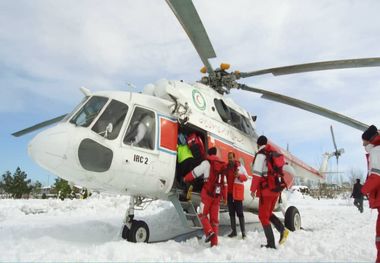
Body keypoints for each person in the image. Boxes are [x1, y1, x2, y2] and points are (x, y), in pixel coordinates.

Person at [250, 135, 289, 249]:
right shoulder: (273, 153)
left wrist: (252, 190)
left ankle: (271, 243)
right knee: (267, 213)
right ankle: (282, 230)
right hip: (275, 190)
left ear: (258, 144)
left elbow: (257, 174)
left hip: (266, 190)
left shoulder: (261, 155)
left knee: (263, 216)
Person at [183, 147, 227, 247]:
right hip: (217, 196)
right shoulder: (222, 165)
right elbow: (224, 183)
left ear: (209, 154)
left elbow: (195, 172)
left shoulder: (207, 163)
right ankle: (214, 243)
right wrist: (224, 197)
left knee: (201, 214)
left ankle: (209, 232)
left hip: (207, 195)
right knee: (215, 221)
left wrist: (186, 178)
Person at [360, 125, 380, 263]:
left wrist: (361, 191)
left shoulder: (377, 151)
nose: (363, 144)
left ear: (370, 139)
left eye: (364, 141)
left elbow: (376, 176)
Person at [225, 152, 247, 239]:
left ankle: (243, 232)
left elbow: (246, 177)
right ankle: (234, 231)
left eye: (231, 158)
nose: (230, 159)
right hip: (230, 194)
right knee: (231, 213)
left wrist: (239, 176)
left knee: (240, 213)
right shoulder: (227, 167)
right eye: (228, 158)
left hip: (237, 194)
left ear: (234, 158)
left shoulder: (240, 167)